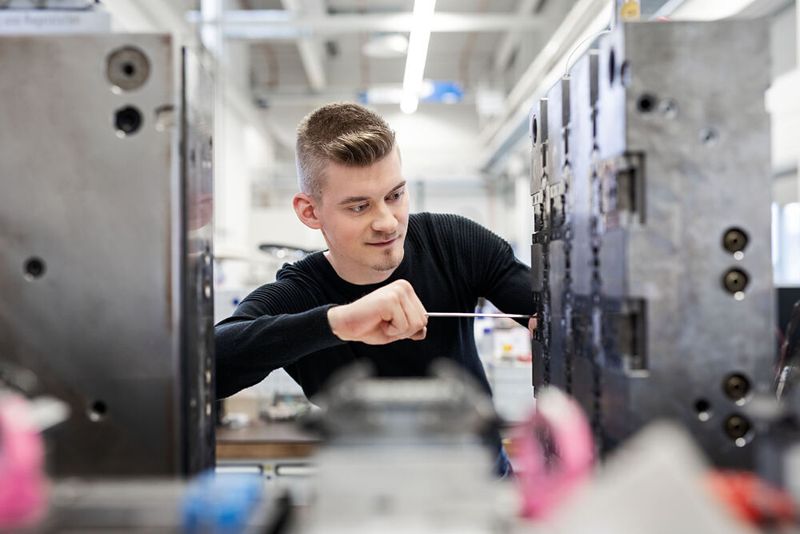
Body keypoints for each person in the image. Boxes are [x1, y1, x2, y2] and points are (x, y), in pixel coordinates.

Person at [215, 102, 536, 476]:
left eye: (395, 195)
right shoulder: (301, 291)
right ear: (310, 211)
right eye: (359, 207)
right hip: (365, 500)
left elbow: (548, 308)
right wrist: (338, 322)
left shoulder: (454, 243)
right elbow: (212, 368)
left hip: (480, 481)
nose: (387, 222)